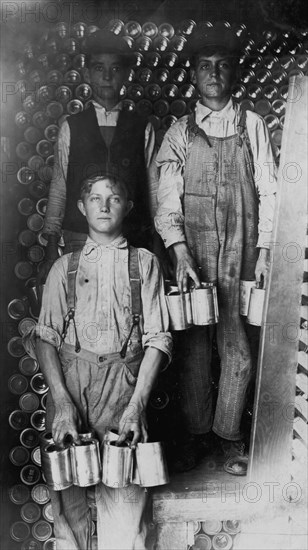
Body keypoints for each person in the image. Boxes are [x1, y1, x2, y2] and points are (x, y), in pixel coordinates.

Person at [26, 166, 172, 549]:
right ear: (81, 207)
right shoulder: (64, 268)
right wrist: (60, 403)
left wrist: (137, 406)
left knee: (125, 514)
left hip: (124, 386)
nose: (104, 206)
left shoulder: (145, 264)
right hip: (72, 383)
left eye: (114, 198)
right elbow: (45, 339)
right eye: (95, 198)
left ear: (128, 206)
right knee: (69, 512)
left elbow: (158, 339)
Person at [154, 26, 277, 474]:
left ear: (234, 74)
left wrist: (264, 250)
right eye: (205, 65)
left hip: (241, 252)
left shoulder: (252, 125)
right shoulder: (180, 131)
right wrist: (178, 249)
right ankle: (197, 436)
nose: (213, 73)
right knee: (193, 349)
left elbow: (269, 190)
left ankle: (229, 436)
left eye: (222, 65)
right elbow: (166, 195)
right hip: (194, 257)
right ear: (193, 74)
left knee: (238, 348)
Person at [38, 29, 158, 285]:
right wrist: (50, 243)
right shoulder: (71, 126)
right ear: (87, 74)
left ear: (126, 74)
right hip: (79, 240)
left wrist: (159, 244)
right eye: (98, 68)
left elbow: (154, 190)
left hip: (132, 239)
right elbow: (59, 185)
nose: (106, 76)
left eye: (114, 69)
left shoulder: (141, 127)